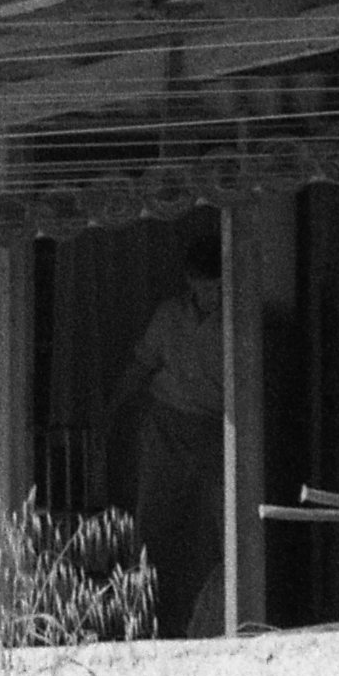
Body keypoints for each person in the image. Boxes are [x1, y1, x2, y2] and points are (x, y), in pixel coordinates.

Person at [110, 228, 231, 638]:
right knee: (154, 527)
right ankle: (141, 623)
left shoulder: (236, 320)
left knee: (221, 529)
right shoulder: (169, 316)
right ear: (189, 281)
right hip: (166, 426)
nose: (209, 296)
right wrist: (113, 410)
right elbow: (141, 367)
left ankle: (218, 623)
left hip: (216, 430)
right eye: (202, 286)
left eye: (216, 287)